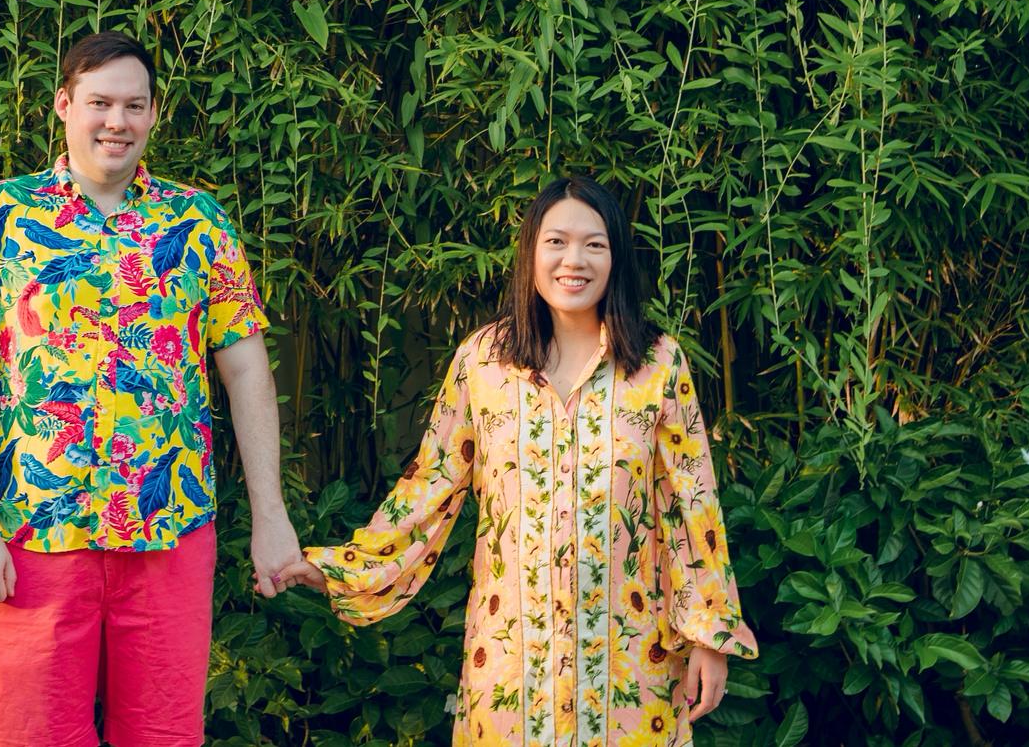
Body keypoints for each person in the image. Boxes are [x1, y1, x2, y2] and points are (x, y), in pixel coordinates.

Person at [0, 31, 307, 747]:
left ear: (154, 113)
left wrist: (272, 516)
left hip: (168, 531)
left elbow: (247, 369)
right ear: (63, 105)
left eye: (134, 105)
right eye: (99, 102)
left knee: (164, 736)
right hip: (34, 536)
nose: (117, 122)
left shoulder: (197, 222)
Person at [280, 177, 758, 746]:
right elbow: (429, 487)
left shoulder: (659, 364)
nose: (573, 260)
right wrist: (344, 568)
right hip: (511, 672)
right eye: (556, 242)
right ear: (531, 252)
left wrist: (709, 636)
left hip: (631, 667)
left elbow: (692, 505)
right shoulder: (482, 362)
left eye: (594, 244)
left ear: (617, 258)